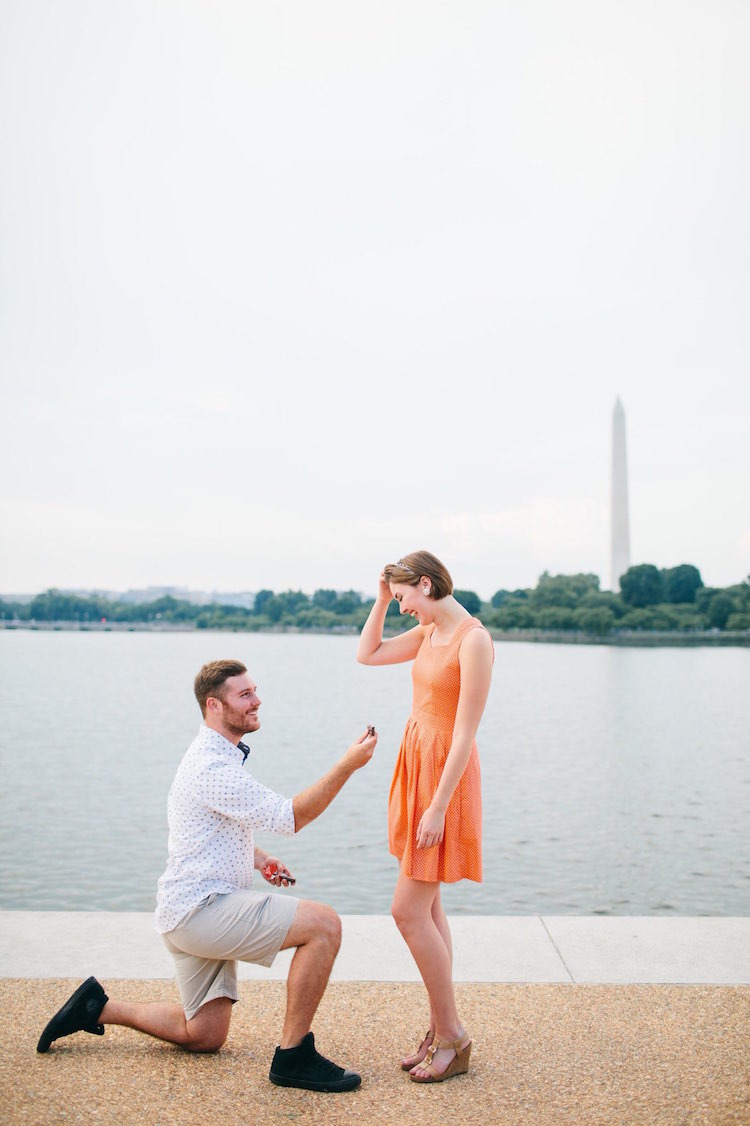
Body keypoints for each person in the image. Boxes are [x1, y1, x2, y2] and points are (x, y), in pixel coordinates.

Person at [37, 658, 377, 1093]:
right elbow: (293, 816)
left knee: (205, 1035)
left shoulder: (216, 756)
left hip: (187, 912)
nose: (257, 700)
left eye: (254, 690)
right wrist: (347, 765)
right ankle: (294, 1057)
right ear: (214, 705)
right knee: (324, 925)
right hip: (203, 912)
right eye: (245, 694)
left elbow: (207, 828)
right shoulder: (212, 768)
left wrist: (256, 858)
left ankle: (96, 1008)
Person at [357, 551, 493, 1083]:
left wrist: (437, 805)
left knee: (406, 911)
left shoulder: (472, 639)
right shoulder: (430, 631)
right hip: (416, 762)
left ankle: (453, 1035)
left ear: (428, 584)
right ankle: (441, 1029)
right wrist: (380, 598)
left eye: (405, 598)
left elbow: (465, 734)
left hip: (445, 778)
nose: (404, 609)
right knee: (429, 907)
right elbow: (367, 654)